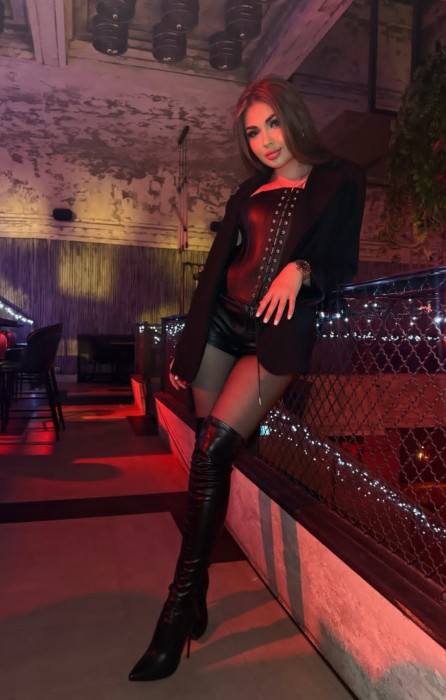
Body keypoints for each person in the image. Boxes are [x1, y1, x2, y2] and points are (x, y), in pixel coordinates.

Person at [128, 75, 366, 682]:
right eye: (253, 132)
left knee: (213, 450)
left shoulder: (340, 178)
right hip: (220, 325)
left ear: (294, 118)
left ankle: (177, 611)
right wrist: (189, 342)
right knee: (206, 458)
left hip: (274, 336)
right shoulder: (249, 189)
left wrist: (302, 269)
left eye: (272, 124)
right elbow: (218, 266)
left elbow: (343, 262)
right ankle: (196, 593)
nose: (264, 140)